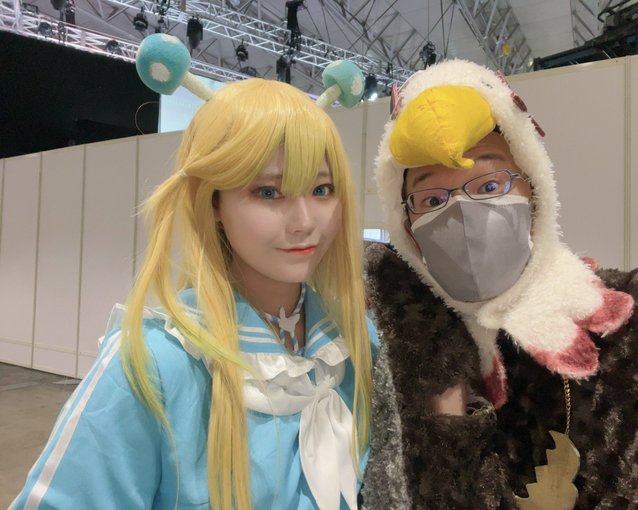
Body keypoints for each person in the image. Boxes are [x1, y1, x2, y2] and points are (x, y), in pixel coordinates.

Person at [11, 78, 378, 510]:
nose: (304, 222)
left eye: (321, 190)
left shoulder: (357, 341)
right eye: (268, 192)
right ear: (213, 202)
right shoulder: (154, 363)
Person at [361, 59, 638, 509]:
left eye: (489, 186)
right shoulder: (398, 357)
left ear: (534, 191)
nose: (461, 212)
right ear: (407, 228)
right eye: (432, 199)